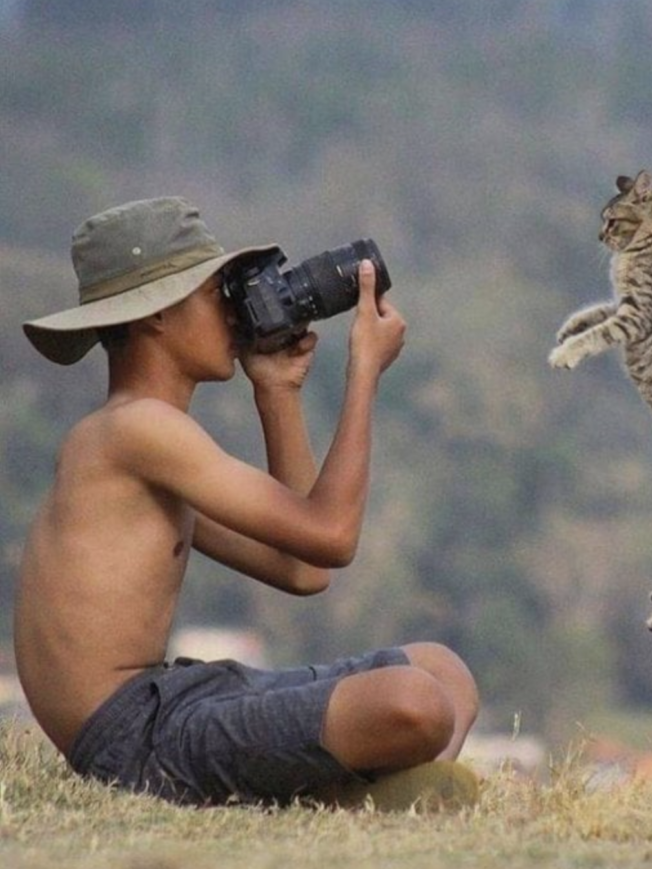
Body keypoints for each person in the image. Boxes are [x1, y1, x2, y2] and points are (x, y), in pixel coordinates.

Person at [13, 196, 480, 811]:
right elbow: (333, 535)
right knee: (413, 701)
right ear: (158, 315)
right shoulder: (136, 430)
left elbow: (304, 569)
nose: (234, 315)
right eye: (217, 295)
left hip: (176, 697)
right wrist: (362, 371)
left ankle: (371, 794)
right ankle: (353, 799)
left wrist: (278, 392)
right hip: (134, 739)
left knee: (444, 672)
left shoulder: (142, 443)